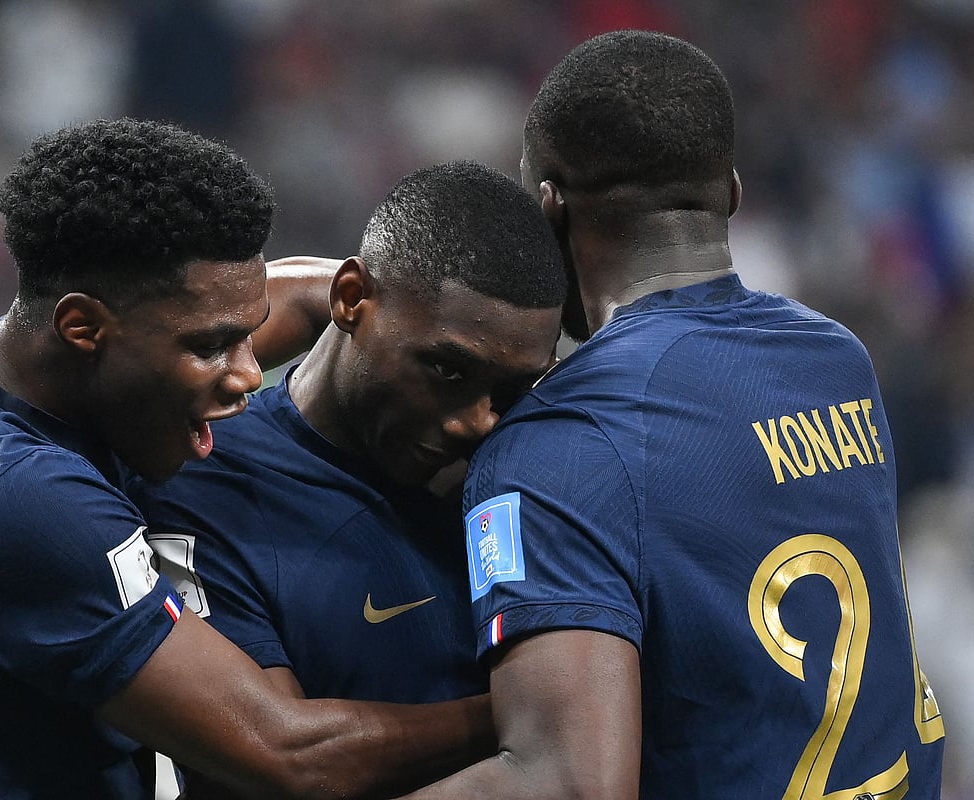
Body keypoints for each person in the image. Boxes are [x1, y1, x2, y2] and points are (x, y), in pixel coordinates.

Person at [0, 117, 496, 800]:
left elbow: (292, 295)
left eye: (245, 336)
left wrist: (422, 319)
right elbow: (289, 753)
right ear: (82, 328)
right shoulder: (21, 501)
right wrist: (540, 703)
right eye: (212, 347)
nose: (244, 374)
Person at [399, 29, 946, 799]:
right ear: (731, 191)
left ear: (548, 207)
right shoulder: (836, 358)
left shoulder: (564, 438)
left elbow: (567, 782)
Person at [129, 159, 568, 799]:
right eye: (446, 370)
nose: (475, 422)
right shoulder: (201, 478)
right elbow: (280, 760)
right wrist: (549, 708)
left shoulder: (529, 472)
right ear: (351, 299)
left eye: (507, 389)